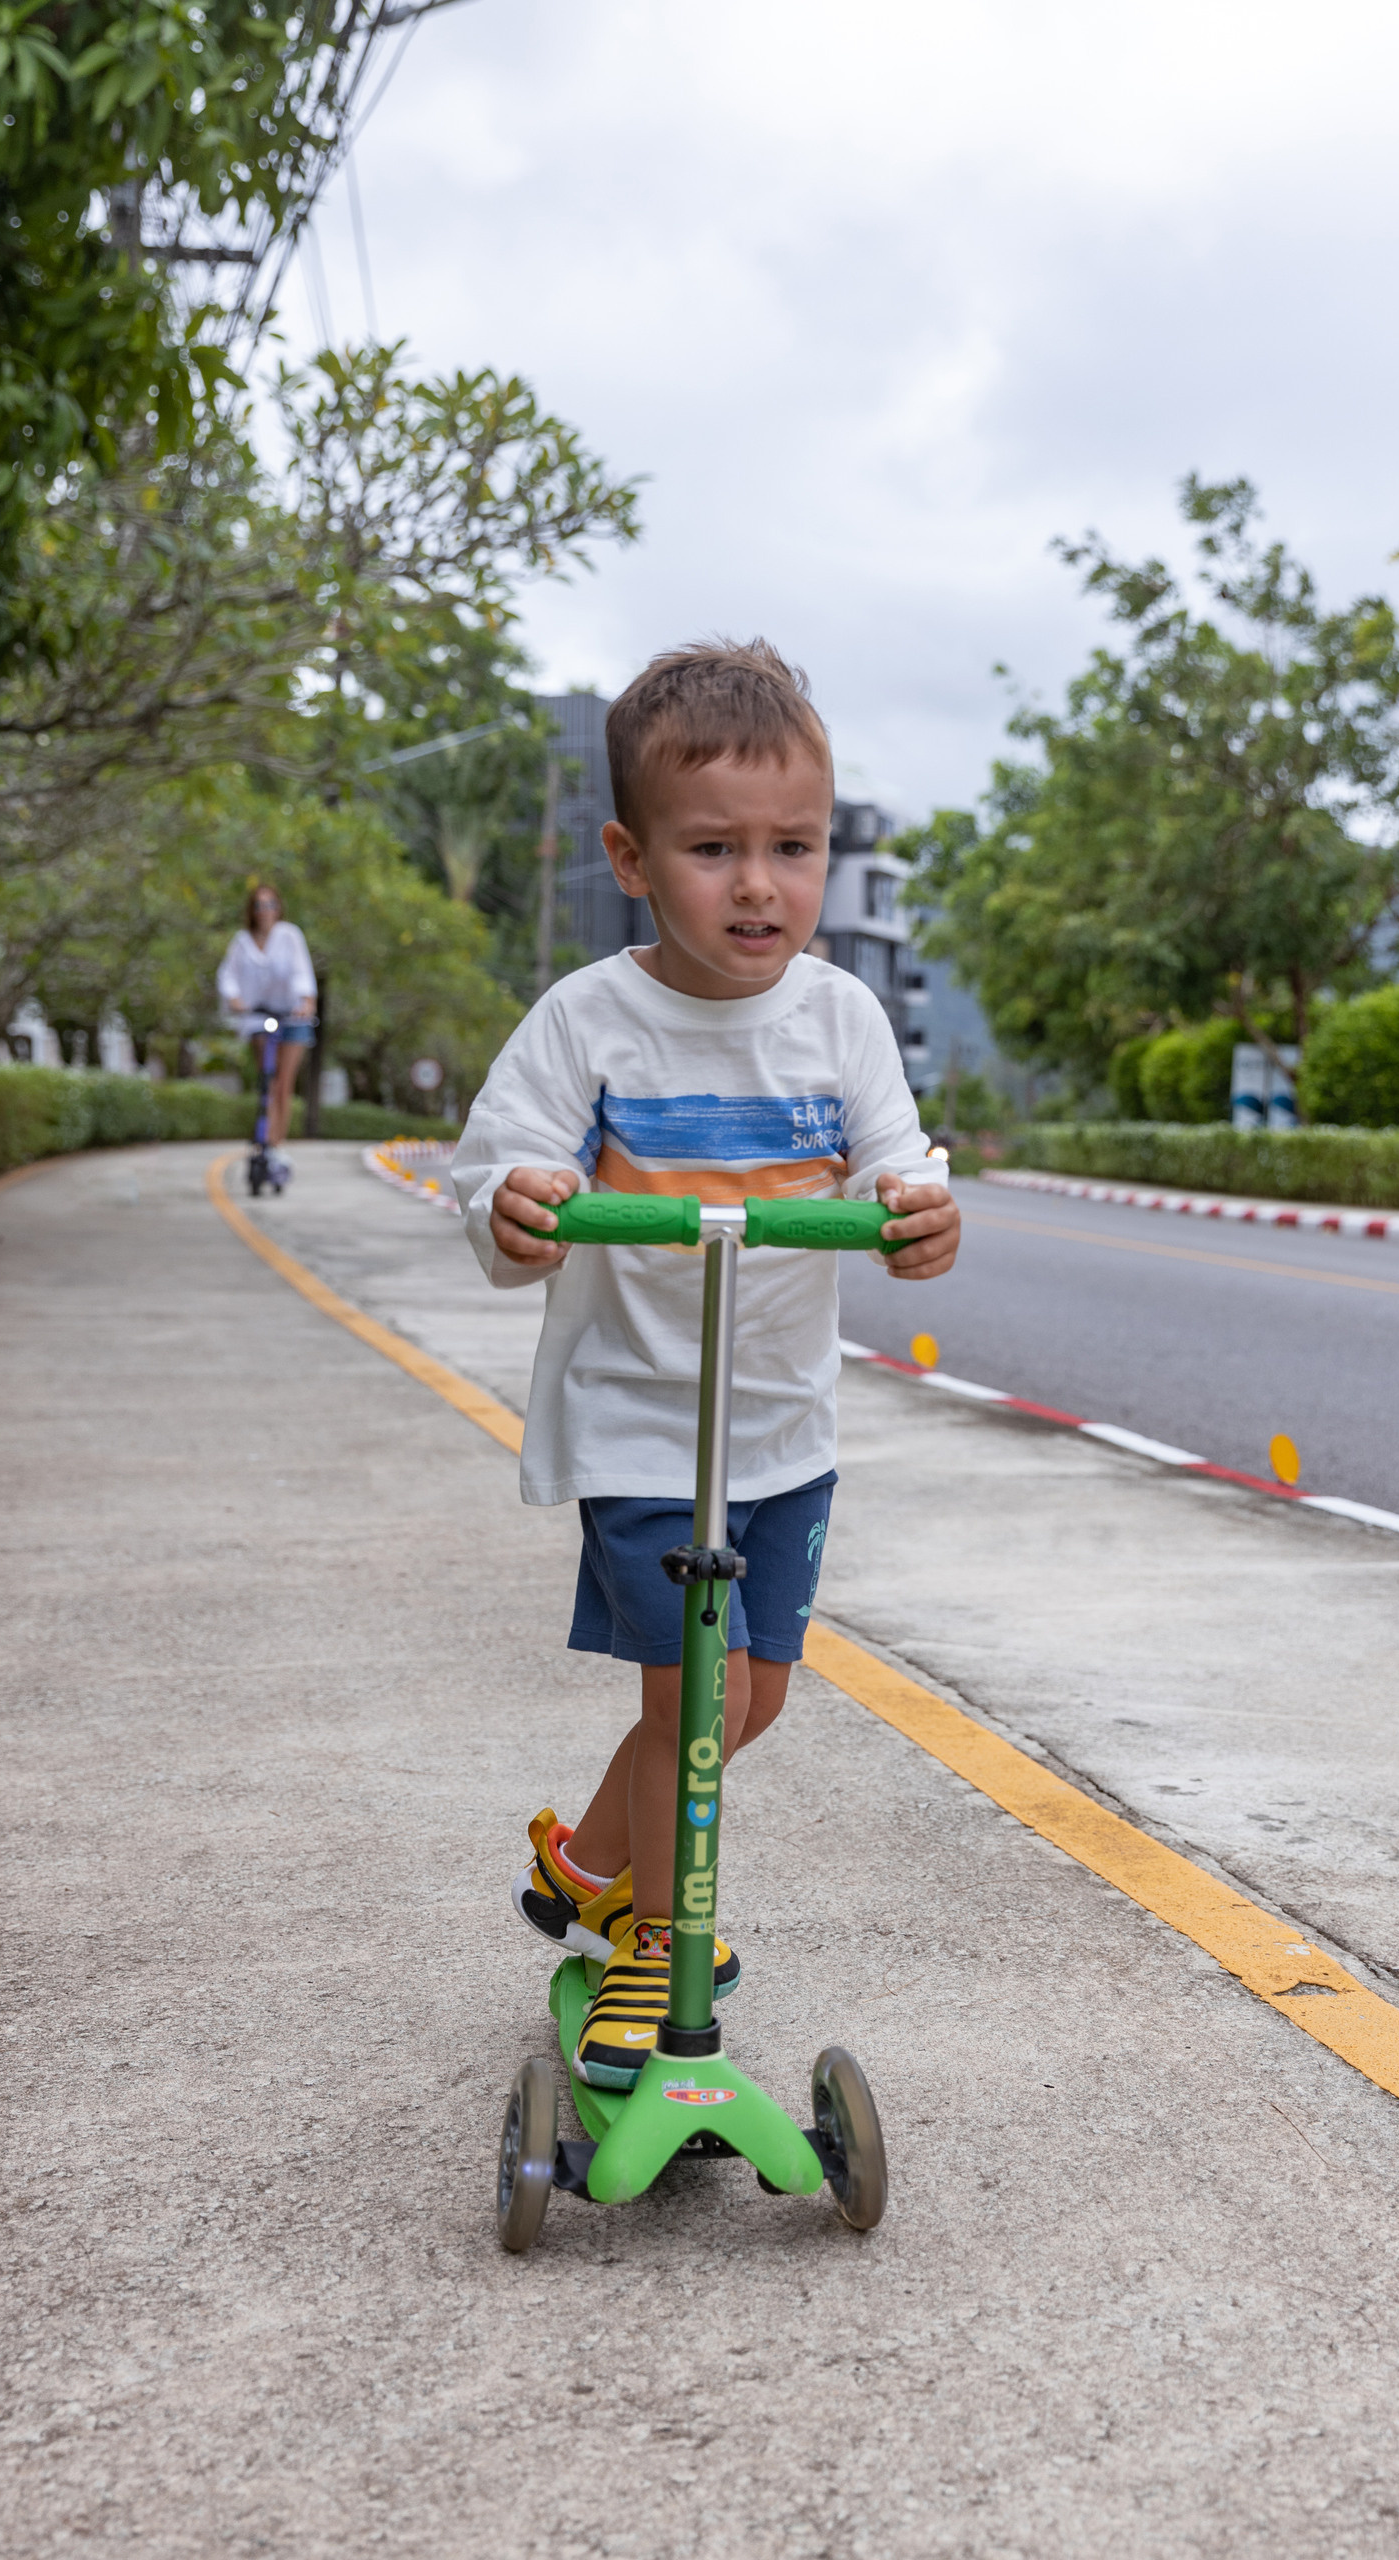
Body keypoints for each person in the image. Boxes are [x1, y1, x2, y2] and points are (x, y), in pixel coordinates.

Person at [451, 641, 960, 2086]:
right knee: (692, 1693)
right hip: (636, 1420)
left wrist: (918, 1217)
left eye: (791, 849)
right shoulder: (587, 1021)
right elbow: (497, 1173)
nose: (758, 886)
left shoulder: (839, 1017)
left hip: (782, 1423)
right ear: (629, 856)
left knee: (756, 1696)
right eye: (713, 849)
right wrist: (519, 1209)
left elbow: (895, 1165)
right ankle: (650, 1958)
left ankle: (585, 1862)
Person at [216, 885, 317, 1172]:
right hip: (259, 1018)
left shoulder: (289, 935)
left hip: (292, 1017)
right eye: (260, 905)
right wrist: (235, 1000)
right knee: (267, 1080)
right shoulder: (241, 942)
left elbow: (302, 972)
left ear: (278, 907)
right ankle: (263, 1136)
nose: (266, 910)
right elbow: (228, 976)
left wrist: (306, 1002)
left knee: (284, 1082)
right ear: (252, 910)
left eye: (271, 904)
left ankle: (277, 1142)